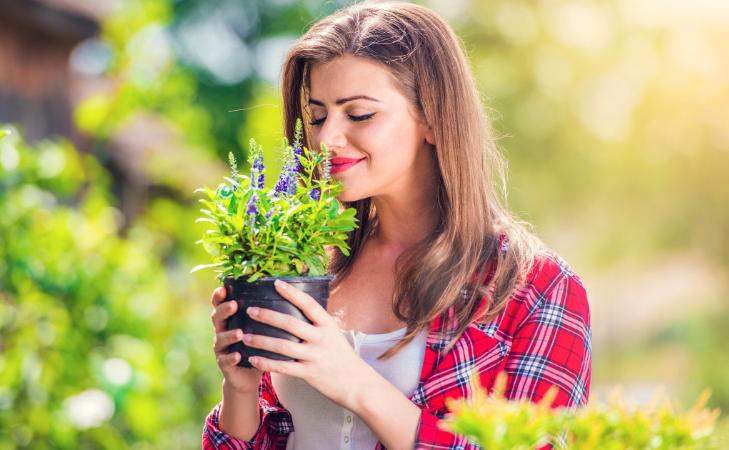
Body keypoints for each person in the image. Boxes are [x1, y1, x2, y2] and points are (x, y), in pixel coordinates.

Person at [202, 2, 591, 449]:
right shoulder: (309, 263)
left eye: (360, 114)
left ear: (432, 117)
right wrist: (241, 388)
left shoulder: (535, 289)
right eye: (318, 115)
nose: (327, 139)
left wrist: (356, 384)